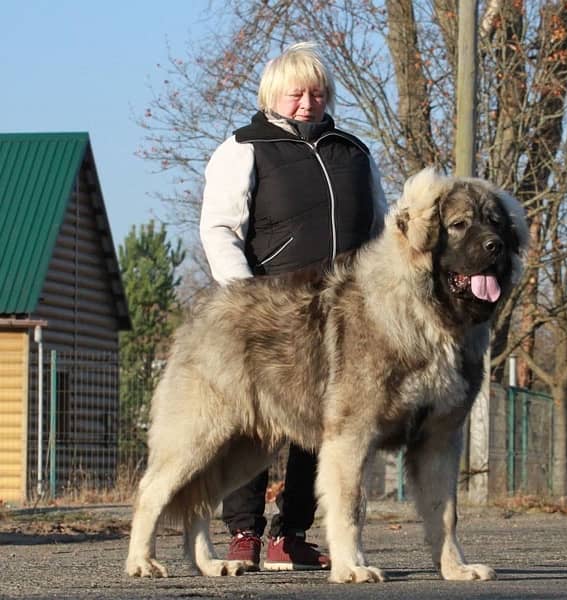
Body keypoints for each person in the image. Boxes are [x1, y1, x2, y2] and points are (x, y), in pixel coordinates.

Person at [199, 41, 387, 572]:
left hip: (345, 318)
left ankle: (292, 533)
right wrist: (245, 297)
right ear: (272, 94)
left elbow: (378, 230)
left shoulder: (354, 152)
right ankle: (243, 534)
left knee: (326, 425)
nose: (308, 102)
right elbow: (219, 229)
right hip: (268, 312)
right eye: (297, 93)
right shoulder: (242, 147)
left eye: (318, 92)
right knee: (255, 422)